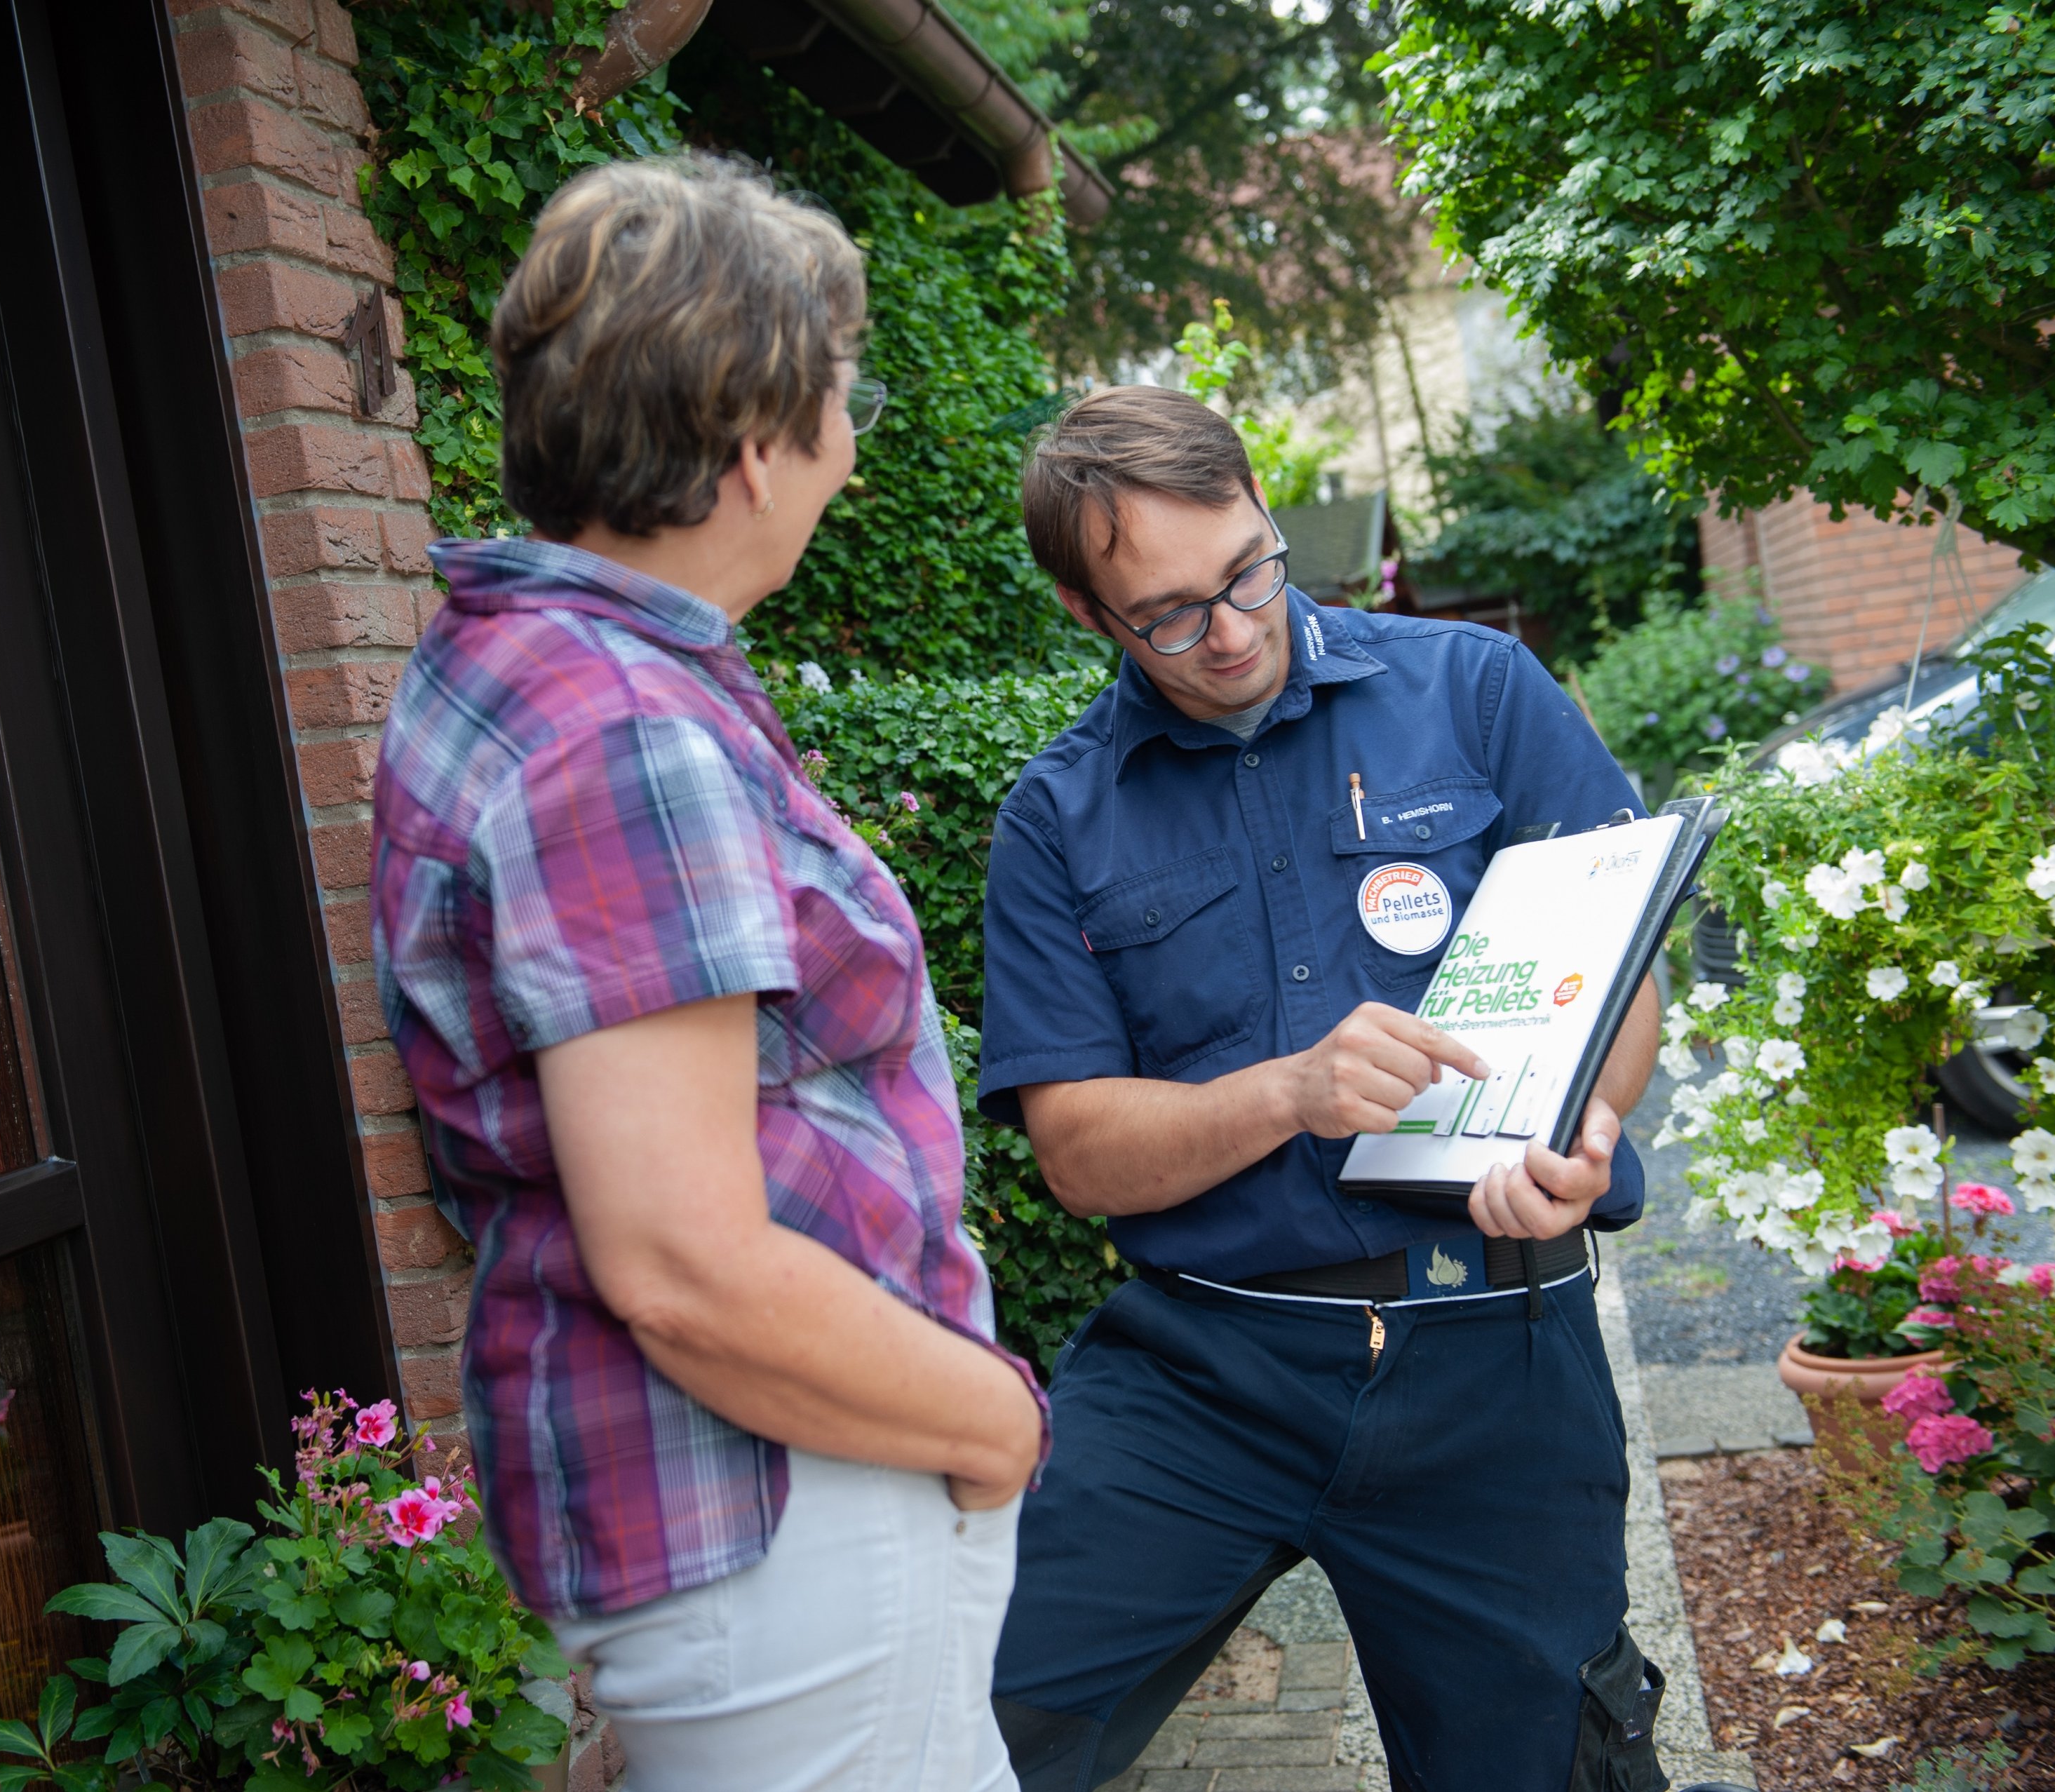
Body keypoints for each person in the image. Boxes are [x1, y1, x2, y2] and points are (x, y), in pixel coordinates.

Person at [368, 154, 1046, 1792]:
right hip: (791, 1501)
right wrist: (993, 1422)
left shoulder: (545, 664)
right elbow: (683, 1261)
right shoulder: (624, 732)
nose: (854, 451)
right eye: (839, 400)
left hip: (771, 1501)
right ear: (752, 449)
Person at [978, 387, 1724, 1792]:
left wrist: (1585, 1126)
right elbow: (1079, 1154)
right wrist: (1290, 1093)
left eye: (1250, 570)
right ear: (1090, 615)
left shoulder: (1480, 693)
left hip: (1497, 1343)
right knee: (973, 1728)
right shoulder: (1055, 816)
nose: (1239, 629)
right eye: (1173, 615)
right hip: (1205, 1369)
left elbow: (1625, 990)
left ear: (1265, 505)